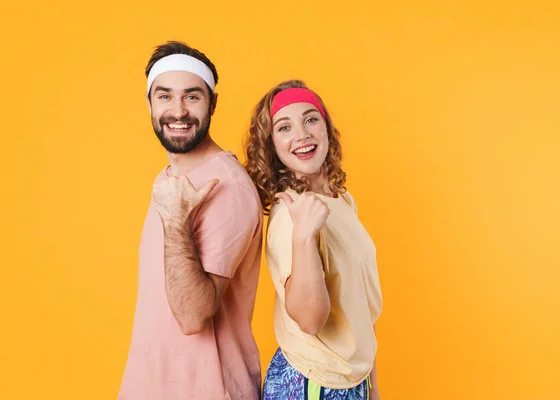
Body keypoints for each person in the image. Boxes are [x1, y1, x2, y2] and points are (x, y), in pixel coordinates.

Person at [118, 41, 263, 400]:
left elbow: (192, 317)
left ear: (213, 102)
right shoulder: (171, 178)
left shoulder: (226, 185)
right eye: (165, 96)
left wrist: (177, 221)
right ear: (149, 102)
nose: (178, 111)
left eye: (192, 97)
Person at [244, 80, 383, 400]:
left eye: (310, 119)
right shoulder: (290, 218)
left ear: (326, 128)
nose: (302, 134)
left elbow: (361, 307)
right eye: (284, 127)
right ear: (272, 145)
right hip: (311, 383)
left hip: (350, 380)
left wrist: (372, 386)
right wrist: (304, 237)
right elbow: (310, 319)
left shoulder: (341, 199)